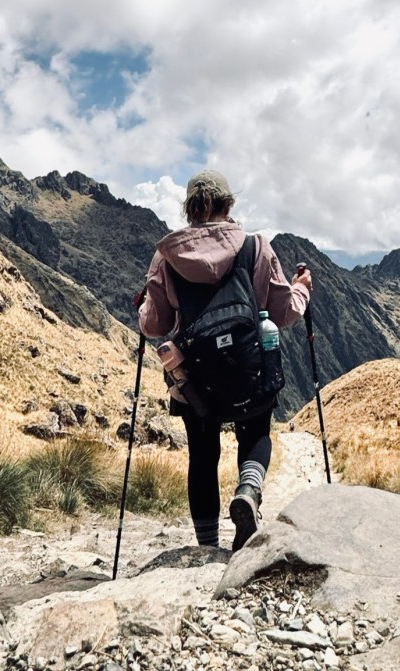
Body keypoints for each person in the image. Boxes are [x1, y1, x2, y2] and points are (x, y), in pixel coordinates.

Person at [138, 169, 312, 551]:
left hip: (195, 382)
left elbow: (155, 324)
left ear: (189, 210)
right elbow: (283, 312)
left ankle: (206, 549)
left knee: (202, 457)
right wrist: (301, 290)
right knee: (256, 436)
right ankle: (248, 490)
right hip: (250, 374)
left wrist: (145, 303)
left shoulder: (167, 258)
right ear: (228, 204)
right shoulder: (256, 247)